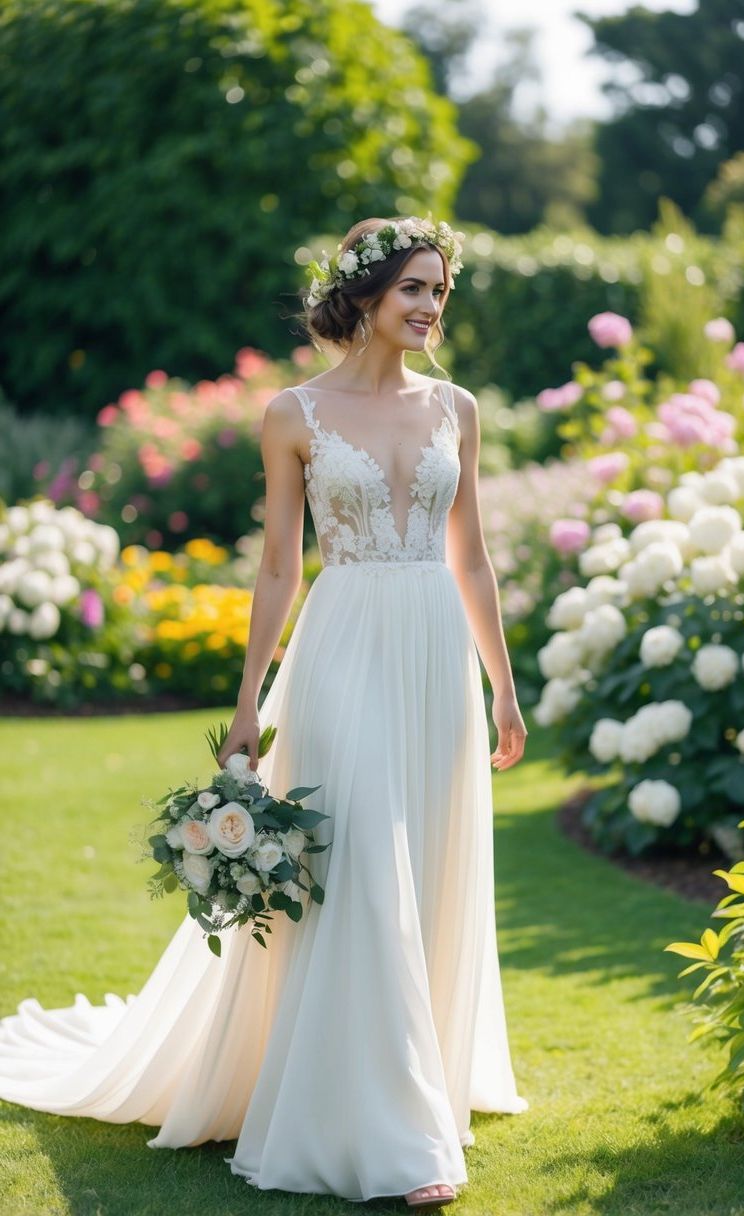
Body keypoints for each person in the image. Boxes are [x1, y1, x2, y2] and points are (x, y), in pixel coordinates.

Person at [0, 214, 529, 1209]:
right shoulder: (293, 413)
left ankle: (421, 1075)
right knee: (360, 864)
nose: (430, 308)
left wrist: (502, 682)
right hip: (339, 652)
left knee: (421, 866)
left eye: (439, 292)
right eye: (414, 288)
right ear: (364, 296)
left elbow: (472, 555)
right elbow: (282, 563)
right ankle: (392, 1133)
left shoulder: (455, 407)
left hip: (434, 656)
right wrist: (248, 700)